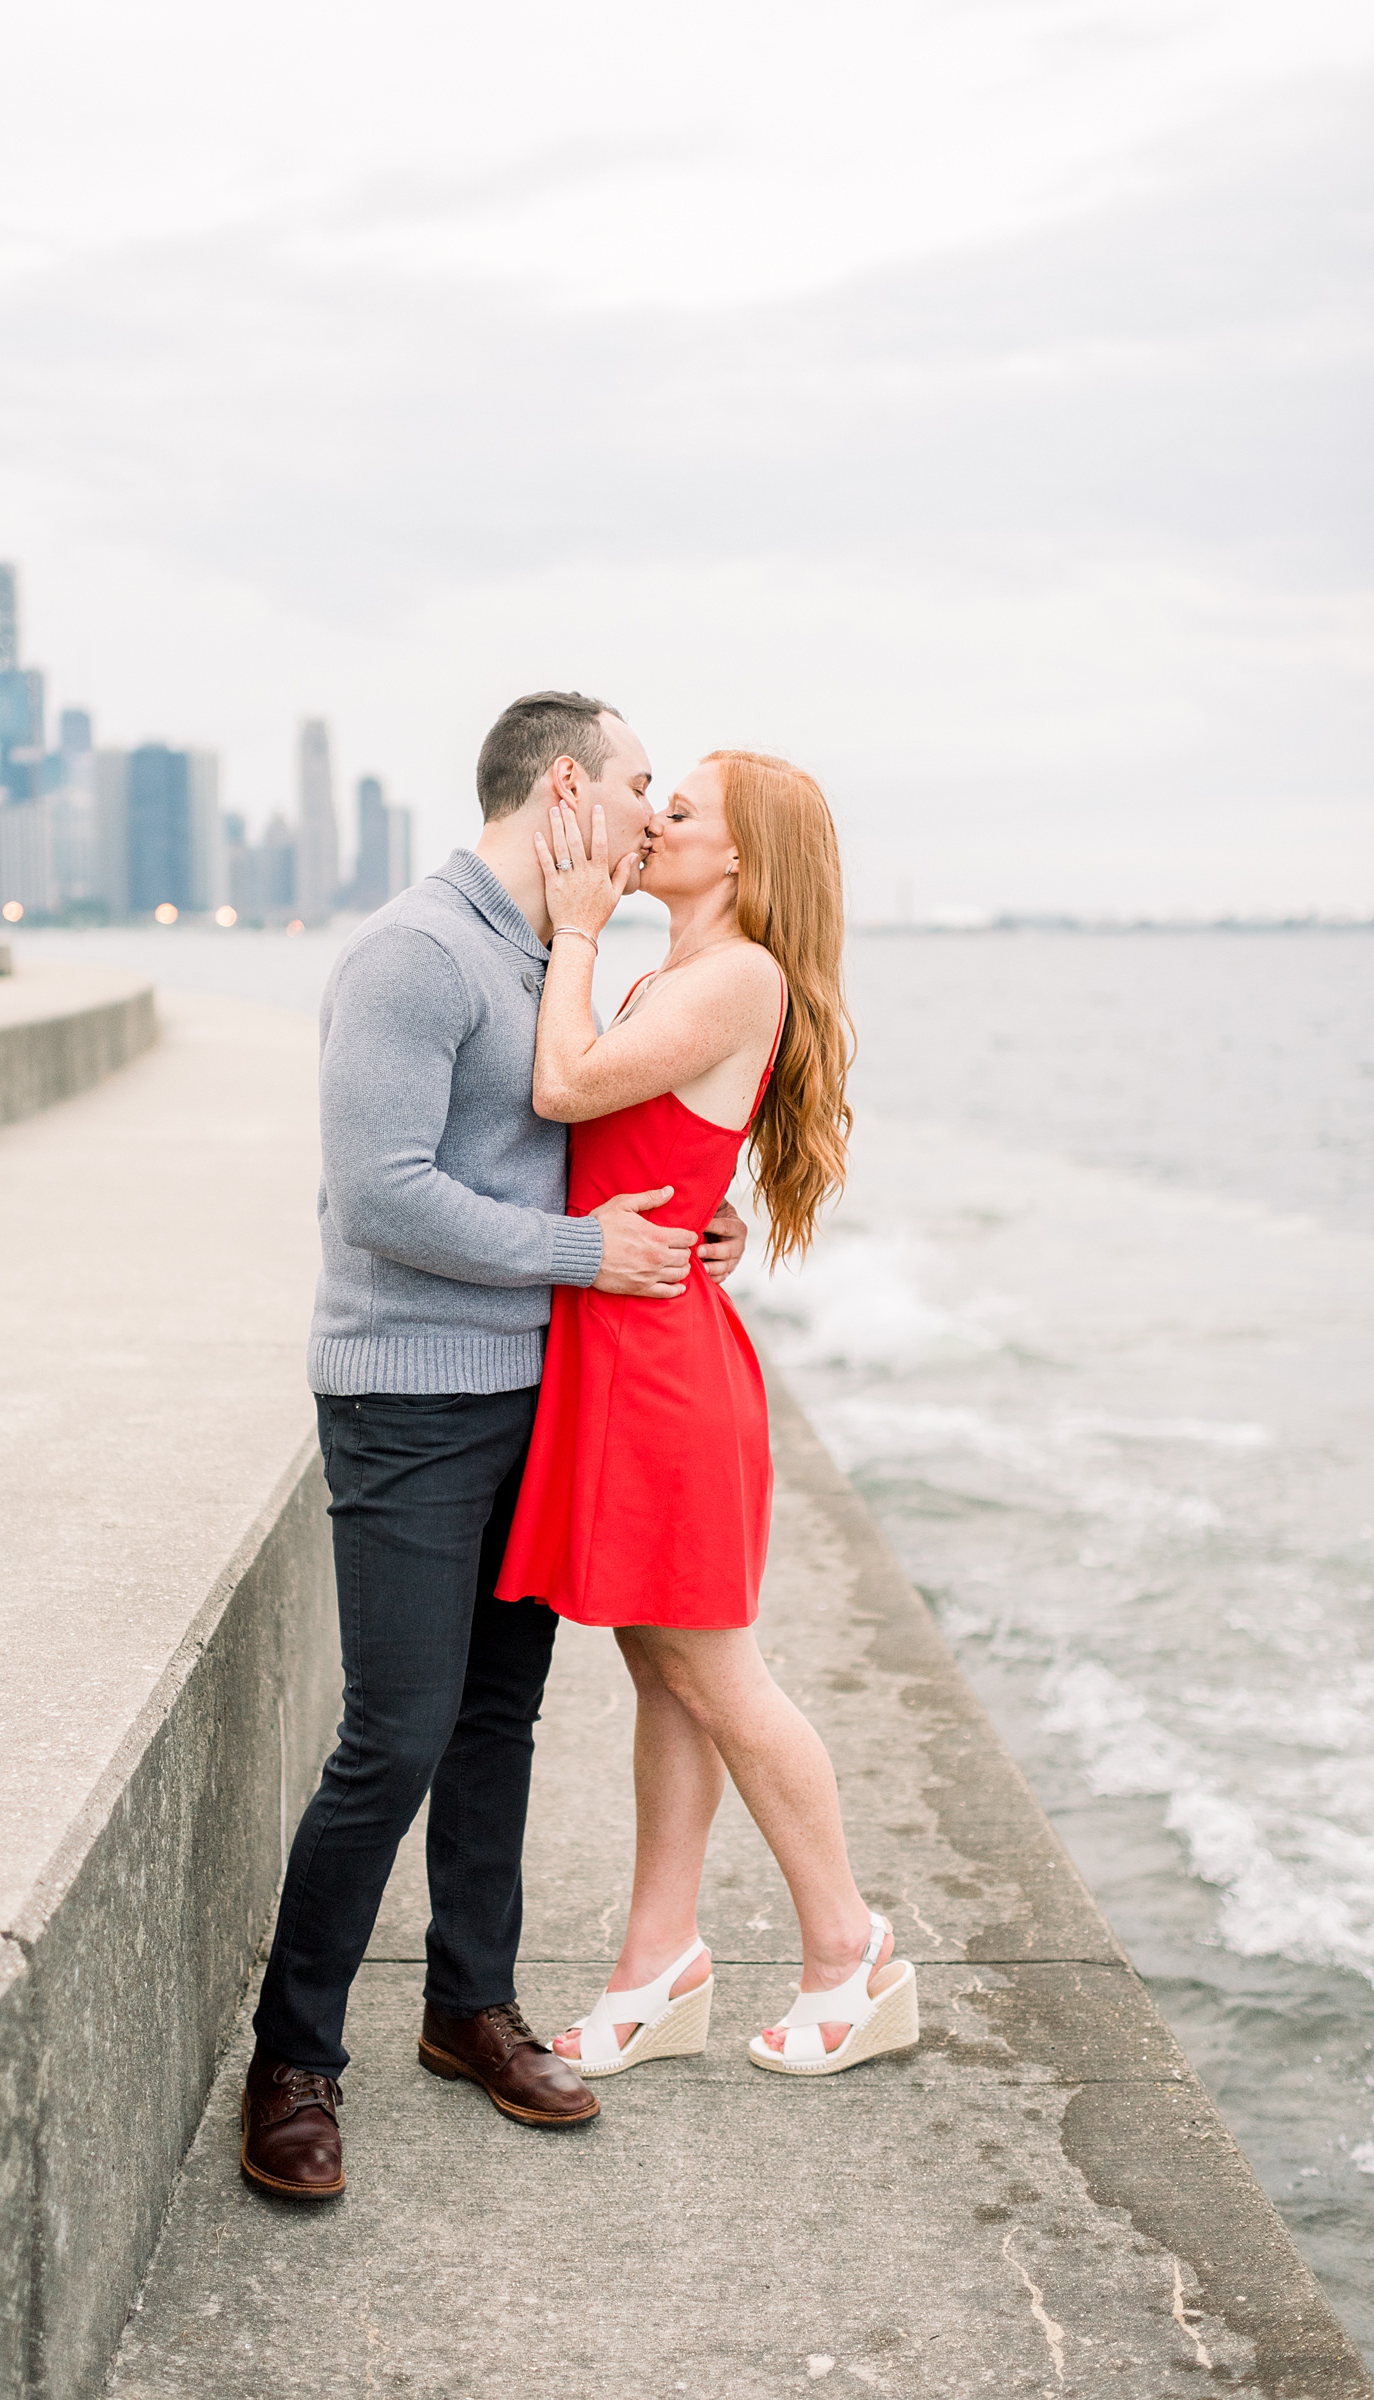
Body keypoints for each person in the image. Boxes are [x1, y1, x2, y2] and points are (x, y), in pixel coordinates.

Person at [240, 693, 749, 2199]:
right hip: (406, 1393)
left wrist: (685, 1221)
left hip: (544, 1392)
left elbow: (588, 1129)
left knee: (495, 1722)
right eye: (640, 783)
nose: (655, 814)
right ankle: (293, 2059)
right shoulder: (415, 949)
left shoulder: (556, 954)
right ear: (567, 786)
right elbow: (385, 1193)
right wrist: (582, 1253)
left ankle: (468, 2006)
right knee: (392, 1733)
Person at [496, 750, 920, 2080]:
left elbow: (562, 1090)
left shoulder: (733, 973)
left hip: (660, 1365)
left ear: (738, 858)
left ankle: (848, 1955)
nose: (649, 820)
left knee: (714, 1672)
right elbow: (648, 1144)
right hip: (628, 1336)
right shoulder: (672, 974)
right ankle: (658, 1959)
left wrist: (571, 928)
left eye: (677, 812)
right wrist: (703, 1206)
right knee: (662, 1673)